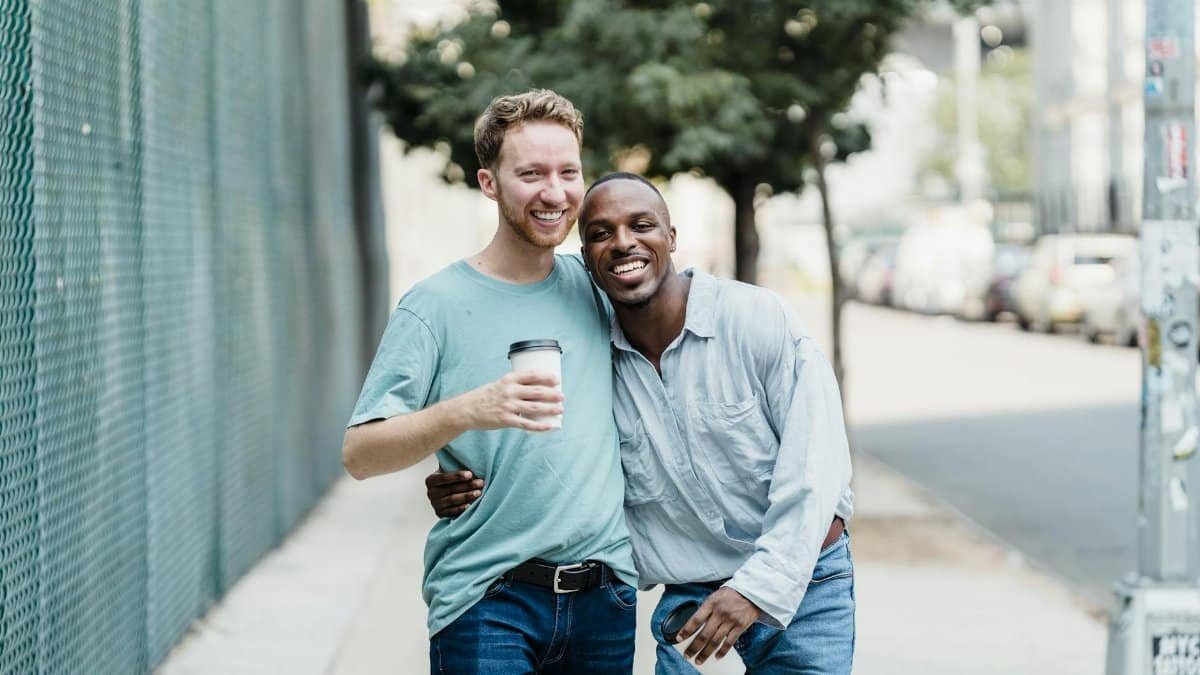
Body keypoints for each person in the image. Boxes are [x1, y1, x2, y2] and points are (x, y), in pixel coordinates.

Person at [428, 172, 856, 674]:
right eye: (601, 232)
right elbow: (561, 462)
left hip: (805, 578)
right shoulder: (590, 359)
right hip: (691, 597)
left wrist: (756, 588)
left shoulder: (756, 320)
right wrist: (470, 480)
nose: (623, 241)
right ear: (585, 258)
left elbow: (817, 470)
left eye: (642, 224)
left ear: (671, 238)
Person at [342, 90, 640, 674]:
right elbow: (359, 454)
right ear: (489, 183)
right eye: (531, 174)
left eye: (568, 172)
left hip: (605, 598)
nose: (554, 193)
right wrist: (468, 412)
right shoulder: (433, 307)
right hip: (488, 601)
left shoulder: (598, 287)